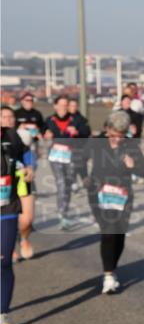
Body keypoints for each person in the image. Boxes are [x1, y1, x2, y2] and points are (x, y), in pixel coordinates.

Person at [79, 110, 144, 294]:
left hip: (123, 196)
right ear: (107, 128)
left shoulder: (130, 146)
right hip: (99, 193)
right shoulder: (95, 142)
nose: (118, 139)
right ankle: (108, 275)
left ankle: (112, 269)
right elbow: (79, 160)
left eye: (121, 135)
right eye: (114, 135)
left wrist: (133, 165)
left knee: (119, 235)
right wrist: (84, 177)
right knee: (109, 232)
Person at [2, 110, 33, 324]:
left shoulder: (11, 137)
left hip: (7, 206)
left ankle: (2, 314)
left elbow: (25, 157)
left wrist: (29, 169)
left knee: (3, 261)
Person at [43, 94, 88, 230]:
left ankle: (64, 212)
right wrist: (45, 134)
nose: (63, 107)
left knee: (67, 185)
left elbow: (86, 133)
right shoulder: (49, 120)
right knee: (61, 183)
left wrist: (77, 132)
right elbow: (41, 132)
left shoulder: (76, 120)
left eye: (65, 105)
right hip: (55, 155)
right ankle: (62, 216)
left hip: (71, 156)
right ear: (55, 106)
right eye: (60, 105)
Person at [1, 107, 36, 260]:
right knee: (8, 218)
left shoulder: (15, 136)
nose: (9, 119)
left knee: (27, 220)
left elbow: (26, 153)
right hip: (5, 185)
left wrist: (29, 167)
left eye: (12, 116)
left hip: (21, 180)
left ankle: (24, 239)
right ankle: (10, 245)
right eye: (5, 116)